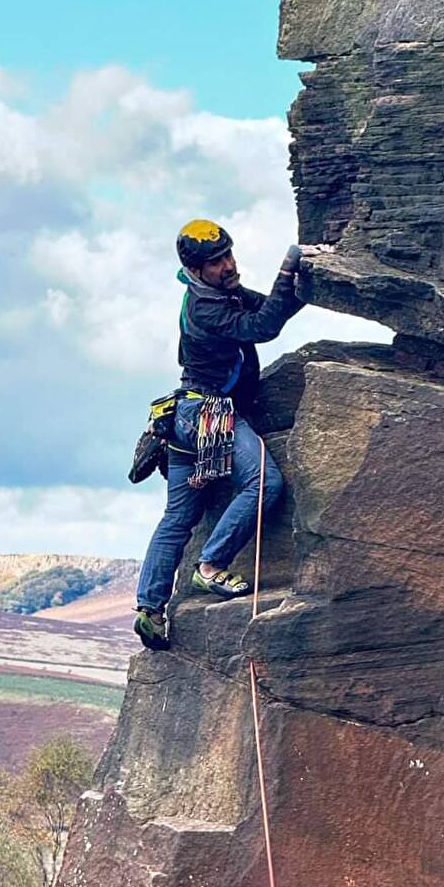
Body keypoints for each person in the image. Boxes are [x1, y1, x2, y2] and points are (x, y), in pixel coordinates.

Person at [134, 219, 304, 650]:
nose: (228, 265)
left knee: (177, 520)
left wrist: (308, 282)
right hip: (208, 414)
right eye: (216, 262)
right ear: (196, 270)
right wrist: (288, 275)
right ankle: (210, 566)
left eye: (228, 255)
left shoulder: (218, 294)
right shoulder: (207, 308)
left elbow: (270, 310)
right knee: (264, 482)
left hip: (184, 416)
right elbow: (261, 328)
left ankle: (150, 610)